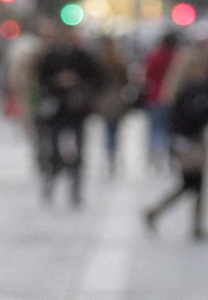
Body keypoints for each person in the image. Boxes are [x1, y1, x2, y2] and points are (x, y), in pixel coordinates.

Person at [143, 52, 208, 240]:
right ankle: (158, 213)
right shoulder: (191, 91)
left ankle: (194, 224)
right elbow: (195, 117)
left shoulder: (184, 90)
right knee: (191, 184)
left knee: (194, 185)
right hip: (189, 142)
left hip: (188, 141)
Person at [34, 26, 101, 206]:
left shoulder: (84, 57)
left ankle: (76, 189)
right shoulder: (51, 56)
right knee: (54, 150)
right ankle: (51, 183)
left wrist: (79, 84)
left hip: (77, 111)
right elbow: (41, 80)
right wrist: (57, 82)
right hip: (57, 111)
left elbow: (96, 80)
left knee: (79, 151)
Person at [94, 37, 132, 177]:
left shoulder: (100, 60)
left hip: (105, 97)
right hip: (115, 97)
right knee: (115, 129)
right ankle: (113, 152)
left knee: (108, 129)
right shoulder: (118, 60)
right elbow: (126, 79)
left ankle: (110, 153)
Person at [141, 32, 180, 168]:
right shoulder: (176, 57)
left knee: (155, 127)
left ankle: (156, 151)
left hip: (155, 96)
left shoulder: (155, 56)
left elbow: (147, 74)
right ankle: (166, 153)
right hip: (170, 97)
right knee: (168, 128)